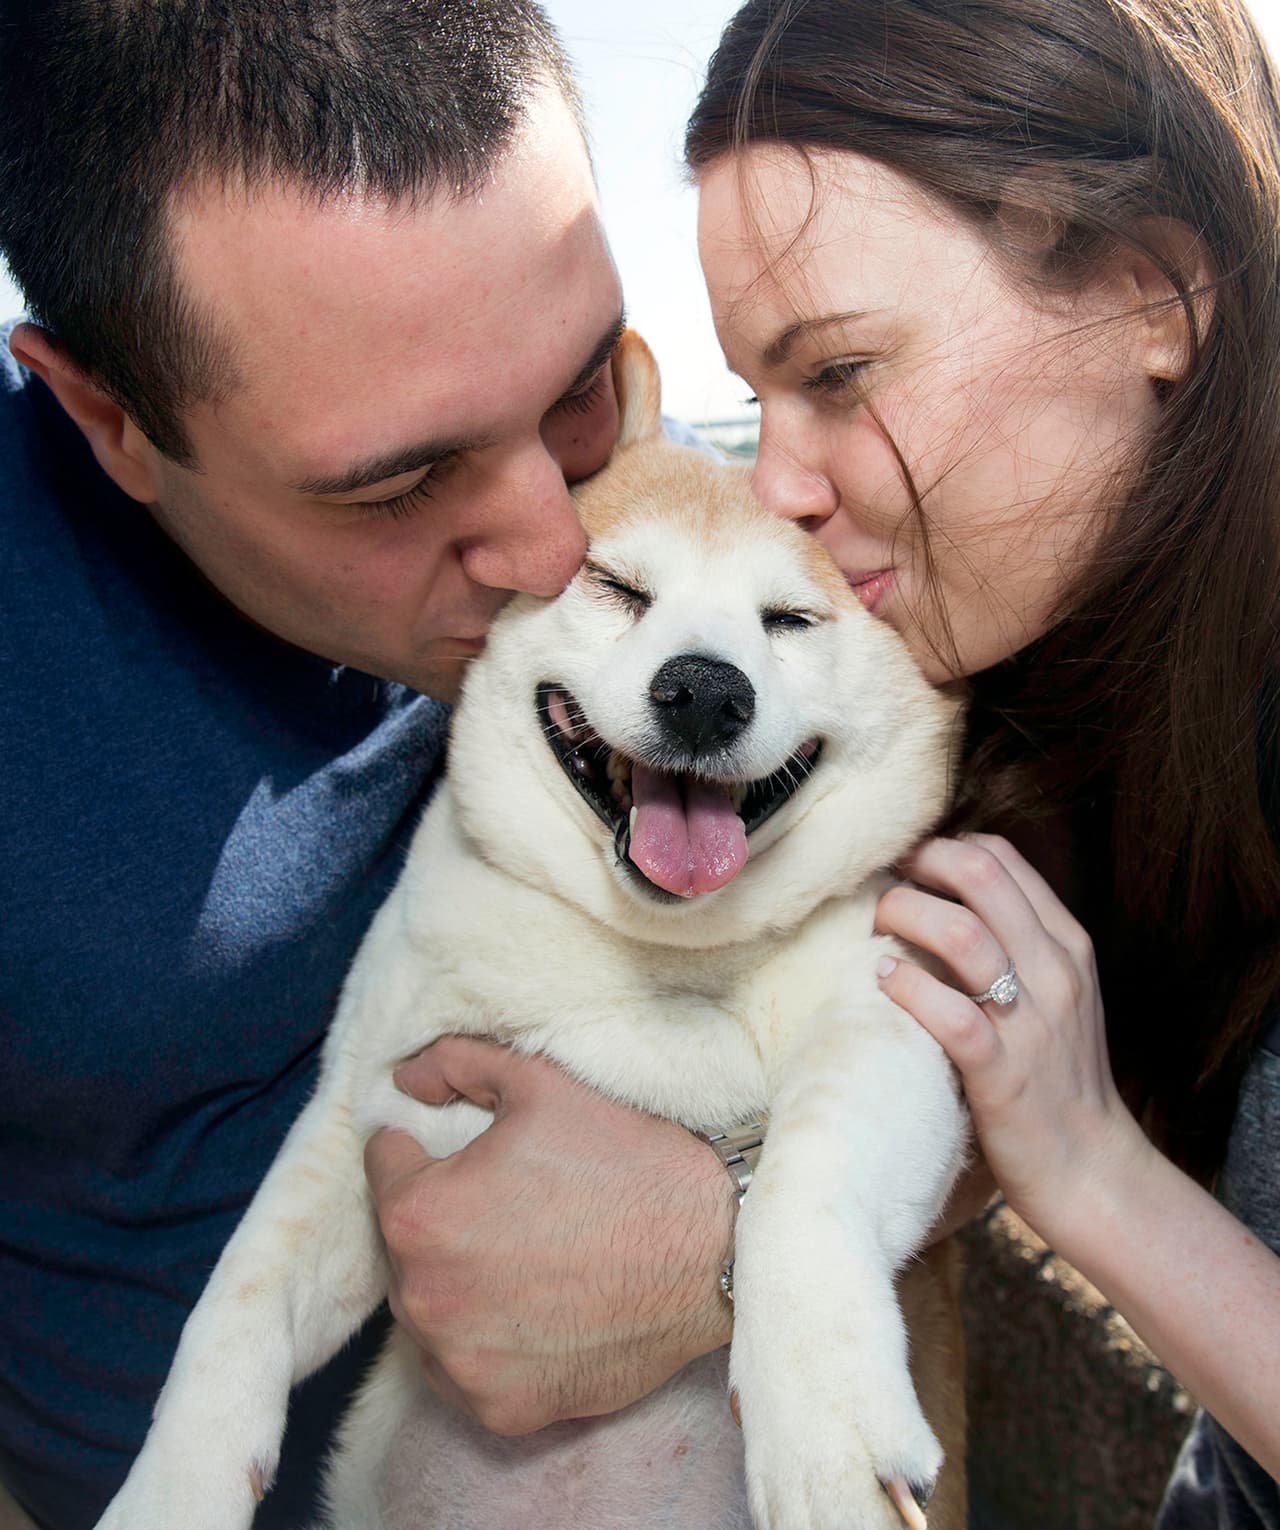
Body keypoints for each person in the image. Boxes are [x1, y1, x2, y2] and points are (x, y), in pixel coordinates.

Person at [0, 4, 739, 1526]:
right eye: (404, 485)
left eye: (582, 385)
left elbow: (1046, 1033)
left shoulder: (717, 563)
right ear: (108, 419)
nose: (552, 552)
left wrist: (730, 1244)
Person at [685, 0, 1280, 1521]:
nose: (777, 482)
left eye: (838, 371)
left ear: (1154, 295)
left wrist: (1090, 1168)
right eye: (756, 398)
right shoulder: (1056, 675)